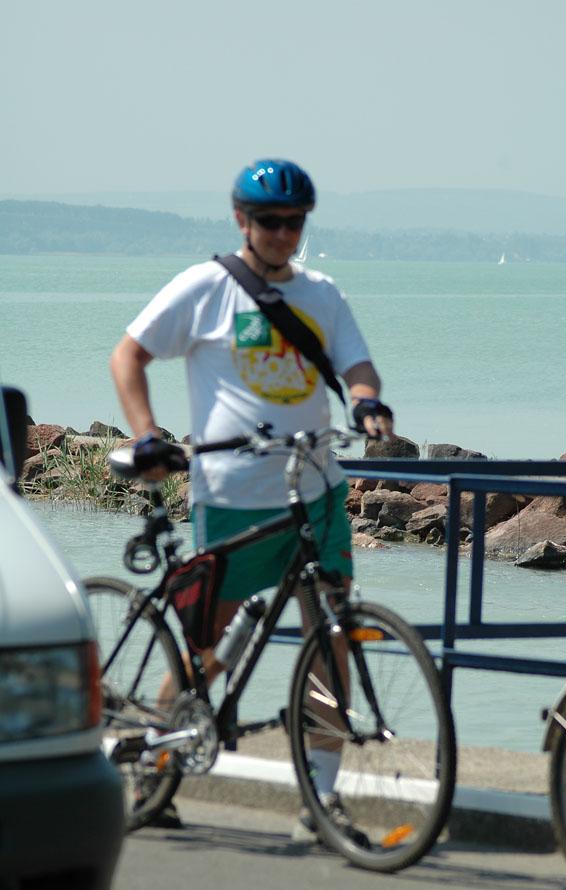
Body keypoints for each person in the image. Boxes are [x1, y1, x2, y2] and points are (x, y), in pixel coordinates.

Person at [110, 158, 394, 832]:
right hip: (232, 496)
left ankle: (321, 797)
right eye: (269, 221)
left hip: (317, 491)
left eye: (294, 221)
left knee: (331, 636)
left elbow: (357, 363)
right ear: (242, 220)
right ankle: (157, 765)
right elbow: (127, 356)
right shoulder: (206, 288)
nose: (282, 233)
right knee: (209, 647)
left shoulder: (322, 294)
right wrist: (147, 437)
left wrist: (366, 402)